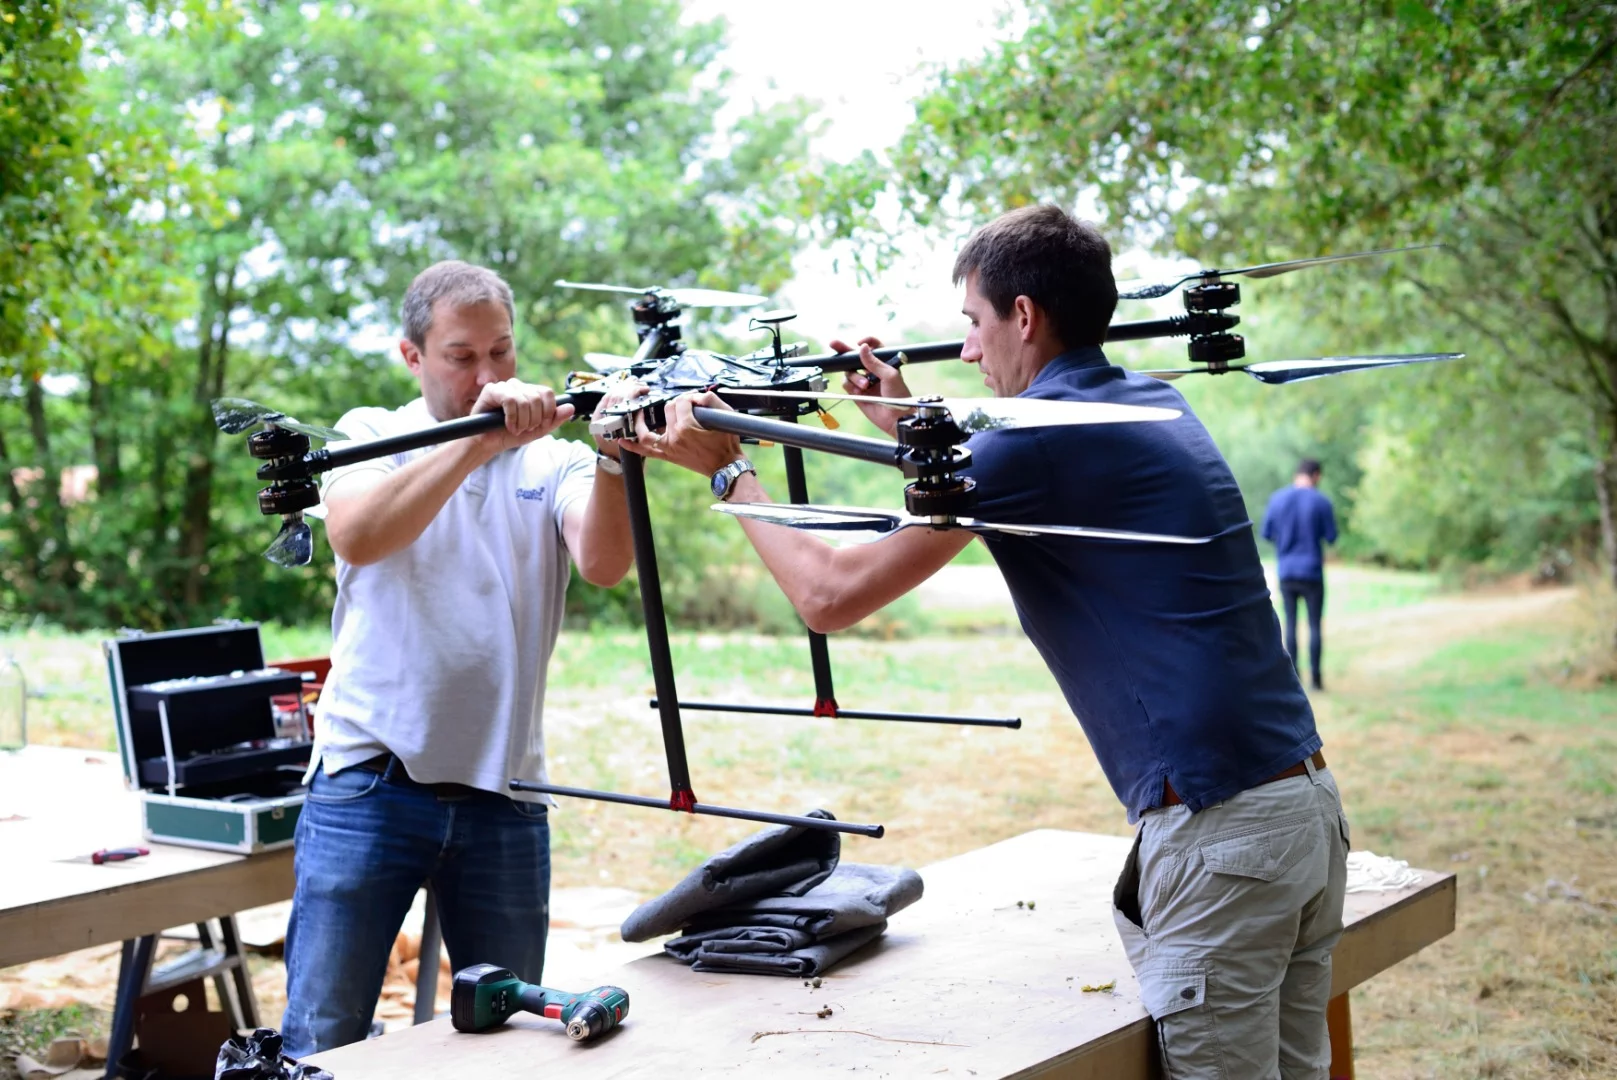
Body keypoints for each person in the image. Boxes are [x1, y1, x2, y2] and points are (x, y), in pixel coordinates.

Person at [620, 206, 1352, 1079]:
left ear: (1024, 316)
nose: (966, 351)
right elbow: (1001, 472)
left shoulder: (1034, 442)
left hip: (1221, 837)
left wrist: (728, 471)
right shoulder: (1146, 401)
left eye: (972, 322)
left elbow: (828, 596)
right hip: (1299, 814)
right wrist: (902, 427)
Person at [281, 260, 641, 1056]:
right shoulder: (371, 434)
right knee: (322, 1036)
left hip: (505, 791)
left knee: (504, 1035)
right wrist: (478, 443)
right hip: (369, 780)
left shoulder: (554, 461)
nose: (488, 373)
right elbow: (359, 536)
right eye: (461, 355)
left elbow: (605, 564)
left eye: (502, 353)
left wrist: (615, 457)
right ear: (412, 356)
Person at [1262, 459, 1338, 691]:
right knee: (1314, 625)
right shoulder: (1321, 501)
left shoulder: (1277, 499)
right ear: (1315, 475)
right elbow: (1332, 536)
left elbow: (1266, 533)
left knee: (1291, 624)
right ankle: (1316, 679)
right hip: (1312, 571)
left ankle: (1294, 680)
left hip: (1287, 571)